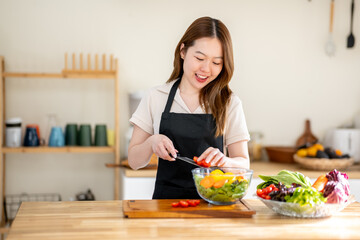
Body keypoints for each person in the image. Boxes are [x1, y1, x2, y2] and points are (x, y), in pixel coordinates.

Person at [128, 16, 250, 199]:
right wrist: (152, 142)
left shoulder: (229, 103)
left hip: (214, 207)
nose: (206, 69)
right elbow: (134, 161)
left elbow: (244, 164)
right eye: (200, 58)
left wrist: (225, 161)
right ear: (183, 51)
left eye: (216, 62)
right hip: (165, 208)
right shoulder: (156, 97)